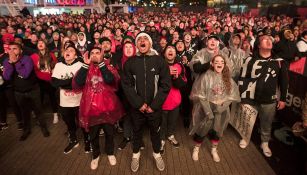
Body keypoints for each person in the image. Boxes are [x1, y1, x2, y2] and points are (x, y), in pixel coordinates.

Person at [121, 32, 171, 172]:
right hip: (137, 108)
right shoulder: (130, 63)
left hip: (154, 108)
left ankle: (156, 153)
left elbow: (165, 85)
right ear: (136, 45)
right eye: (139, 40)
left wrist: (153, 106)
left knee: (155, 132)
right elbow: (127, 86)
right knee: (136, 132)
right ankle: (136, 155)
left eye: (145, 39)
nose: (142, 41)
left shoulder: (159, 61)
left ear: (150, 43)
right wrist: (139, 104)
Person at [238, 29, 288, 157]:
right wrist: (242, 97)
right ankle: (245, 137)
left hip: (269, 99)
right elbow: (243, 78)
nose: (269, 41)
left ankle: (265, 142)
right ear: (259, 45)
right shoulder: (250, 60)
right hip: (250, 97)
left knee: (266, 122)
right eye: (265, 39)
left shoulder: (279, 62)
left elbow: (284, 81)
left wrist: (282, 99)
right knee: (248, 120)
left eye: (270, 39)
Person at [74, 47, 124, 169]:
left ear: (102, 55)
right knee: (94, 135)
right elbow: (78, 82)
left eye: (98, 53)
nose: (95, 55)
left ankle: (110, 152)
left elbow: (110, 79)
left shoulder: (108, 67)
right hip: (91, 109)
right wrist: (85, 65)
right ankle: (95, 155)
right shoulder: (85, 68)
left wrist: (102, 63)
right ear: (89, 56)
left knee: (109, 133)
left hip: (107, 109)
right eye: (93, 53)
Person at [190, 54, 240, 162]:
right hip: (207, 108)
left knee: (218, 129)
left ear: (225, 64)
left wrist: (223, 107)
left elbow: (232, 96)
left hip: (221, 109)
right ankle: (196, 148)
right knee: (203, 128)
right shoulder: (206, 76)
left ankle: (214, 149)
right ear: (212, 64)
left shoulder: (228, 78)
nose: (219, 64)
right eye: (216, 62)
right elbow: (201, 95)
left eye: (222, 62)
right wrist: (208, 112)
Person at [3, 42, 50, 140]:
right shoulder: (6, 61)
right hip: (18, 92)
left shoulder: (27, 59)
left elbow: (25, 74)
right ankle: (26, 130)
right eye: (10, 49)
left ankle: (44, 128)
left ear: (20, 50)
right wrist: (11, 64)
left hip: (33, 90)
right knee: (24, 112)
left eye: (14, 48)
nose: (11, 51)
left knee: (38, 110)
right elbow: (6, 77)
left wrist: (15, 62)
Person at [51, 44, 89, 154]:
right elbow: (54, 83)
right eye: (66, 50)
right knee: (69, 124)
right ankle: (73, 140)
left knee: (83, 123)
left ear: (76, 55)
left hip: (79, 101)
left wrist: (65, 84)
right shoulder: (58, 65)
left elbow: (81, 82)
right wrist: (72, 82)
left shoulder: (81, 65)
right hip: (65, 102)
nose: (68, 51)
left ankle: (87, 140)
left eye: (71, 50)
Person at [160, 45, 187, 154]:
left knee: (172, 121)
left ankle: (170, 135)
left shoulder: (179, 66)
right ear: (164, 53)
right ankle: (161, 139)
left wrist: (176, 77)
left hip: (175, 101)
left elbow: (182, 84)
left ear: (176, 54)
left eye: (173, 50)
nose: (170, 51)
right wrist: (166, 73)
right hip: (161, 101)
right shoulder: (159, 65)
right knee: (161, 123)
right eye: (168, 49)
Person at [31, 39, 58, 124]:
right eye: (39, 43)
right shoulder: (33, 56)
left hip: (50, 80)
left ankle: (55, 115)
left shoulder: (51, 55)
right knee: (39, 100)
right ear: (37, 46)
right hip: (39, 81)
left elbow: (56, 66)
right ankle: (39, 116)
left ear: (45, 45)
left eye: (42, 43)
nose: (40, 44)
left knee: (52, 98)